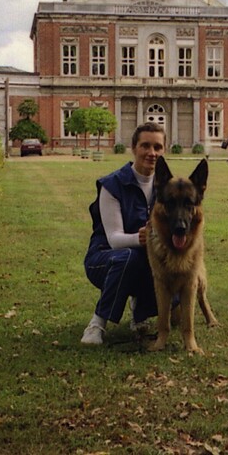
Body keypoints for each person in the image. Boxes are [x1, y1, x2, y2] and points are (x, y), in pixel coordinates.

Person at [80, 122, 165, 345]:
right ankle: (97, 324)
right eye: (145, 146)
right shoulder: (112, 185)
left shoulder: (165, 187)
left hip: (146, 259)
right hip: (105, 259)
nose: (152, 153)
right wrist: (142, 237)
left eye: (158, 147)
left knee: (171, 267)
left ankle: (140, 313)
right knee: (129, 256)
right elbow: (114, 239)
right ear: (133, 148)